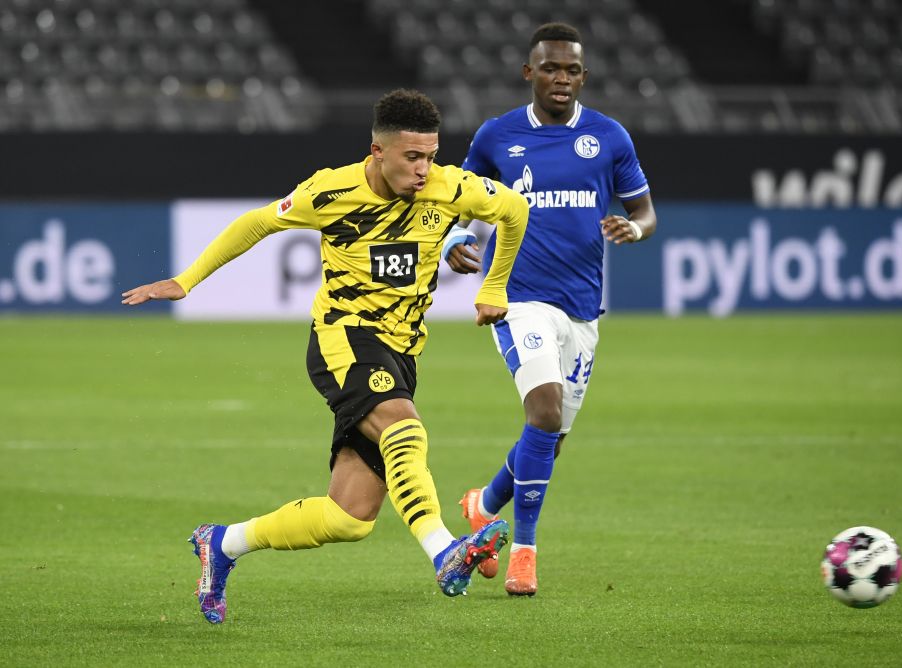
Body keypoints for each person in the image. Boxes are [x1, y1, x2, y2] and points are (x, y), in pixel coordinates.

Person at [122, 89, 529, 623]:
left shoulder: (450, 187)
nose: (424, 169)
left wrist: (493, 288)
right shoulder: (331, 190)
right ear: (377, 152)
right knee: (405, 428)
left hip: (402, 350)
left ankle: (222, 543)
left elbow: (514, 209)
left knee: (349, 517)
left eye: (430, 155)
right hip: (345, 338)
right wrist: (186, 280)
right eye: (412, 157)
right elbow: (258, 222)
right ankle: (444, 551)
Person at [443, 23, 657, 596]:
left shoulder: (609, 137)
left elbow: (645, 211)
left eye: (572, 70)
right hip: (517, 299)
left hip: (583, 309)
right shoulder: (497, 136)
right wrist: (452, 240)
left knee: (551, 437)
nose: (561, 78)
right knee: (543, 412)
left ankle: (483, 505)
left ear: (582, 77)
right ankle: (525, 553)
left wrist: (633, 227)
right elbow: (459, 202)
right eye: (550, 68)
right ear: (529, 73)